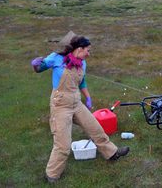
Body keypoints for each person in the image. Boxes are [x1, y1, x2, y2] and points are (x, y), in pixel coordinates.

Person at [31, 35, 129, 183]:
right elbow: (40, 67)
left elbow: (82, 82)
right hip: (60, 106)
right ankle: (52, 175)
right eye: (87, 50)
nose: (89, 54)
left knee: (96, 129)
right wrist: (36, 63)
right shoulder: (57, 58)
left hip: (76, 103)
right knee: (63, 145)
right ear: (79, 49)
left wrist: (88, 97)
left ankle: (112, 153)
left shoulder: (82, 64)